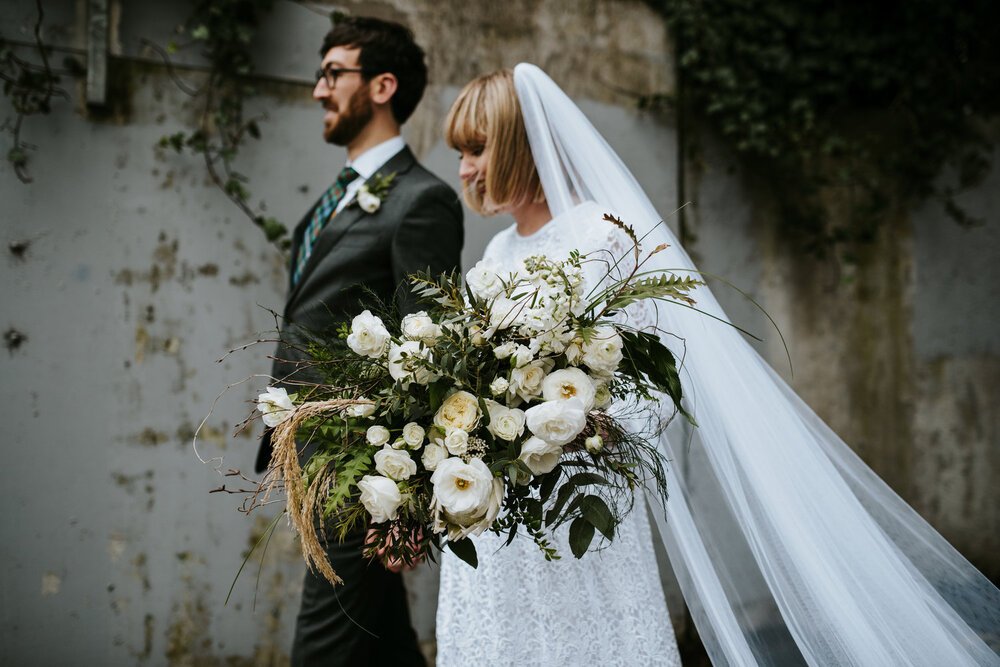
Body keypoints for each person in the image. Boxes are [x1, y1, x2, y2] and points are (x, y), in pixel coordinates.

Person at [436, 65, 1000, 666]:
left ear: (522, 144)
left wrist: (563, 428)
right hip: (492, 516)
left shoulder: (601, 236)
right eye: (461, 152)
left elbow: (652, 386)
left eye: (477, 149)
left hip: (574, 506)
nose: (465, 169)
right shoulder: (497, 251)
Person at [254, 17, 463, 667]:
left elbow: (423, 348)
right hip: (314, 458)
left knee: (321, 646)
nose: (319, 90)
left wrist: (399, 495)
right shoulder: (334, 202)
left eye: (333, 73)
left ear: (382, 86)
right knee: (380, 642)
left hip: (361, 473)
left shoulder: (421, 201)